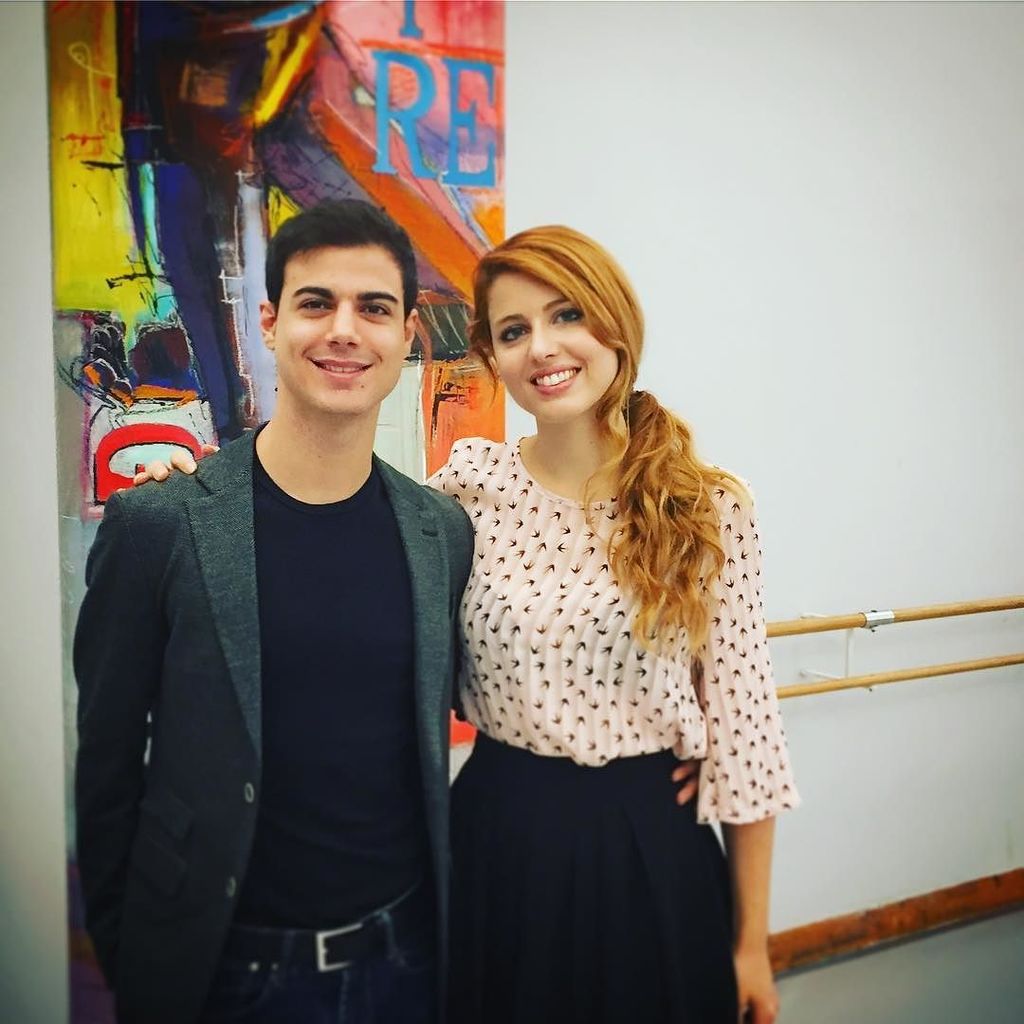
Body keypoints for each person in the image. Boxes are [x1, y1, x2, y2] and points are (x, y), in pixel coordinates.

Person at [139, 224, 796, 1023]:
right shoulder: (467, 493)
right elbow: (341, 562)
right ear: (492, 355)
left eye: (567, 315)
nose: (542, 347)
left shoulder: (707, 506)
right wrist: (203, 492)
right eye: (514, 331)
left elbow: (748, 732)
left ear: (617, 325)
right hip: (496, 836)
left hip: (649, 845)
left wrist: (751, 944)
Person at [73, 200, 476, 1024]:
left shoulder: (442, 530)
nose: (344, 330)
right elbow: (106, 767)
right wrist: (132, 955)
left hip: (405, 963)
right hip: (226, 972)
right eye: (316, 302)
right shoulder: (160, 525)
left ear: (407, 335)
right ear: (270, 322)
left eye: (374, 308)